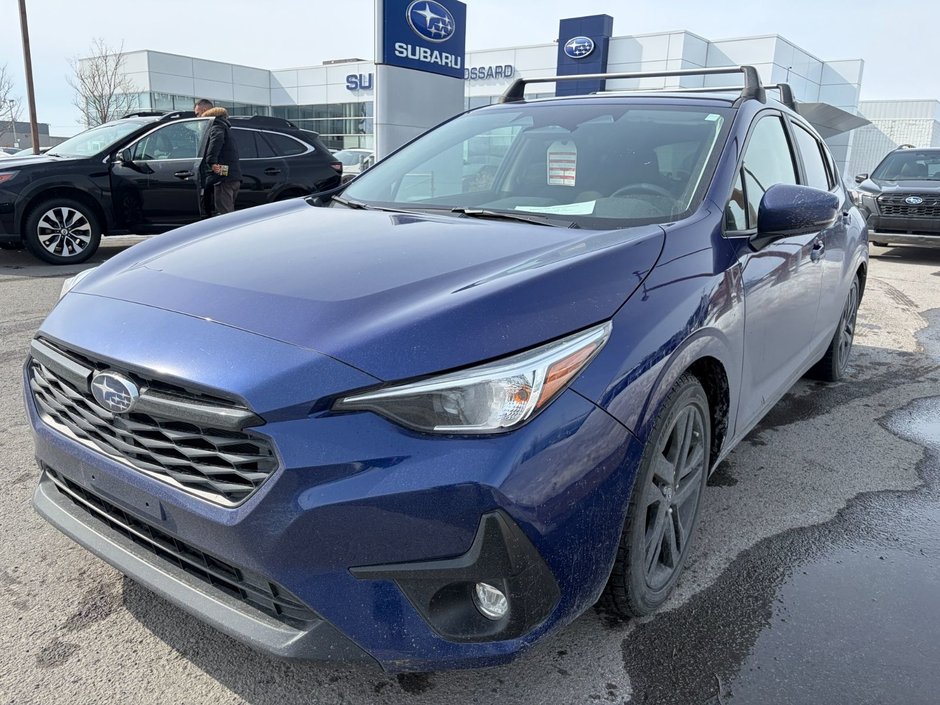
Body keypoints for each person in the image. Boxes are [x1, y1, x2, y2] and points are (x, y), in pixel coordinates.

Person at [200, 105, 241, 215]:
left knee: (225, 214)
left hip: (223, 178)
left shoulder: (217, 127)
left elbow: (215, 143)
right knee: (228, 209)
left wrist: (211, 162)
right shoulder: (227, 129)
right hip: (233, 176)